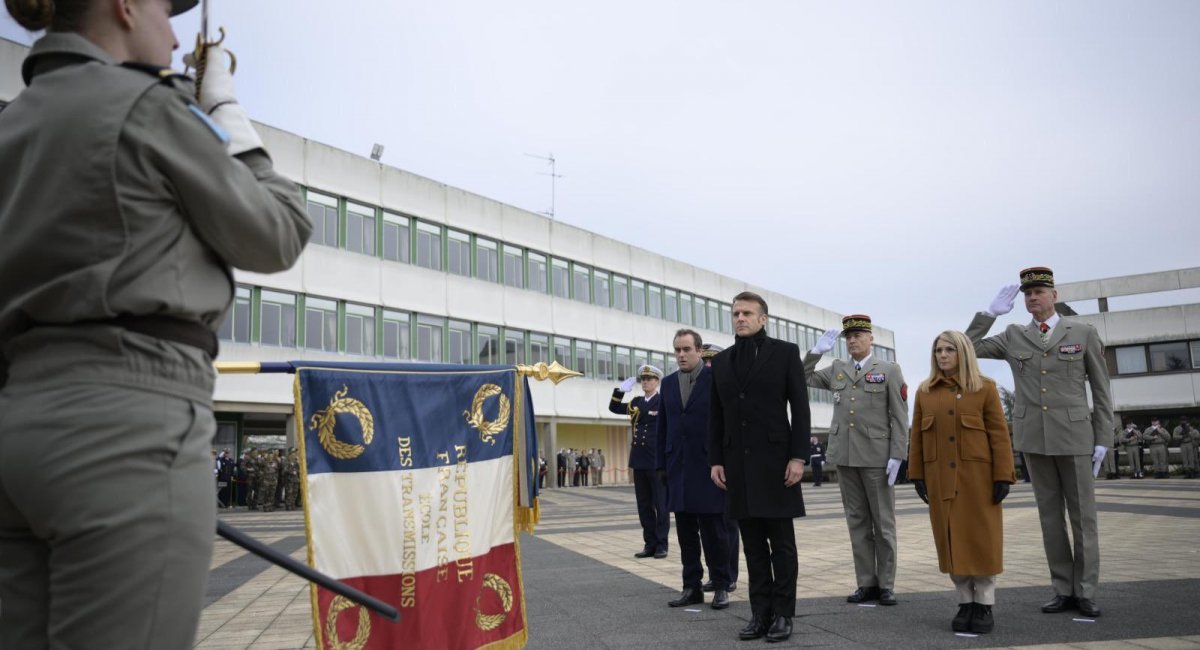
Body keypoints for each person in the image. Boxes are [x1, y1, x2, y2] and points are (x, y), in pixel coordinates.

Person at [0, 0, 312, 645]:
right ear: (124, 6)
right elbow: (279, 232)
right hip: (126, 424)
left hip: (16, 423)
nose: (173, 37)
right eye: (164, 14)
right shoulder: (144, 104)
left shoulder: (12, 124)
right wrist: (224, 108)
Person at [967, 268, 1112, 618]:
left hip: (1076, 436)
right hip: (1035, 438)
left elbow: (1101, 389)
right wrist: (988, 315)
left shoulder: (1082, 332)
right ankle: (1063, 589)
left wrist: (1104, 438)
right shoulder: (1013, 334)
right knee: (1050, 519)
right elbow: (964, 349)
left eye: (1039, 292)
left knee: (1083, 519)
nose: (1032, 298)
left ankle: (1087, 591)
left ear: (1054, 295)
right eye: (1027, 294)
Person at [709, 292, 810, 642]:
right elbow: (716, 416)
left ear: (763, 318)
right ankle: (759, 613)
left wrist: (799, 457)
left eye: (747, 313)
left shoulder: (785, 353)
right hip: (738, 466)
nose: (740, 318)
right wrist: (716, 460)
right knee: (752, 546)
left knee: (781, 545)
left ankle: (783, 613)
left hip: (777, 465)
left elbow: (800, 407)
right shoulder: (721, 362)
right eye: (736, 313)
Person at [909, 331, 1015, 634]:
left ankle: (984, 603)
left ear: (963, 353)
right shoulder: (925, 391)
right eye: (938, 350)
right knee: (951, 540)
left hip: (978, 480)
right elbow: (916, 437)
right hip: (940, 479)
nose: (942, 355)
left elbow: (999, 435)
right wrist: (916, 474)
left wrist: (1003, 475)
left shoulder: (985, 388)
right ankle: (964, 601)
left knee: (982, 540)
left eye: (949, 350)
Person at [805, 315, 908, 606]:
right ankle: (866, 583)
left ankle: (886, 584)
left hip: (877, 457)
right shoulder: (838, 369)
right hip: (846, 456)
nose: (852, 340)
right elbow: (803, 376)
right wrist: (816, 352)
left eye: (858, 335)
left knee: (883, 524)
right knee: (857, 523)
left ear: (870, 338)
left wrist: (898, 454)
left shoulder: (888, 370)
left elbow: (900, 416)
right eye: (848, 337)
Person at [657, 329, 732, 610]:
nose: (681, 355)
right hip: (678, 467)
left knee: (714, 532)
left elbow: (726, 423)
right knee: (686, 533)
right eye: (677, 350)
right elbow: (663, 426)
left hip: (709, 467)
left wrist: (724, 461)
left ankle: (722, 585)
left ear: (699, 351)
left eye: (687, 349)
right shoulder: (667, 384)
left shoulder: (716, 380)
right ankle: (692, 587)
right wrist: (661, 465)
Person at [610, 364, 669, 558]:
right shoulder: (636, 402)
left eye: (649, 379)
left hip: (657, 460)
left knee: (661, 505)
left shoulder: (663, 401)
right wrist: (619, 392)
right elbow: (614, 408)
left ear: (657, 381)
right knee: (644, 505)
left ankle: (662, 544)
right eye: (643, 379)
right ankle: (649, 543)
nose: (645, 382)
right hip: (639, 459)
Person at [701, 343, 740, 594]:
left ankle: (729, 574)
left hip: (726, 464)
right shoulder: (696, 387)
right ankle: (715, 574)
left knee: (727, 524)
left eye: (712, 361)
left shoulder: (730, 387)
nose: (708, 366)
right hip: (704, 465)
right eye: (705, 362)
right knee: (707, 526)